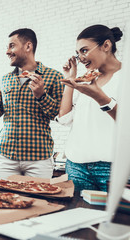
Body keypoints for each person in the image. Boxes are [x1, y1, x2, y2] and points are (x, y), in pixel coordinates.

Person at [0, 28, 64, 180]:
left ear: (28, 46)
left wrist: (41, 95)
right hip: (6, 157)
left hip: (39, 159)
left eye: (12, 46)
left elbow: (59, 115)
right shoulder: (6, 79)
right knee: (0, 200)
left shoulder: (54, 76)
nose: (7, 52)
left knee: (36, 202)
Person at [56, 25, 122, 191]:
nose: (81, 58)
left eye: (84, 50)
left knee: (116, 217)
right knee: (80, 216)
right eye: (78, 53)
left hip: (112, 168)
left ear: (106, 46)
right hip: (76, 167)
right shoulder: (87, 80)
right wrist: (70, 80)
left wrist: (99, 97)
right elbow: (64, 118)